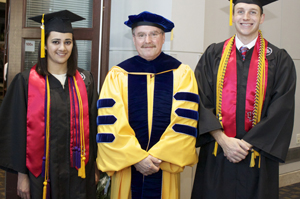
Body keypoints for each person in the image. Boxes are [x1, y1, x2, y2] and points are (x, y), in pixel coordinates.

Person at [191, 0, 296, 199]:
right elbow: (199, 99)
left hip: (257, 155)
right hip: (217, 151)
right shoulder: (213, 55)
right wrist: (223, 140)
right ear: (232, 16)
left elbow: (281, 109)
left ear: (262, 18)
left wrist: (244, 145)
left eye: (252, 12)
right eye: (240, 11)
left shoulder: (279, 60)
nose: (245, 17)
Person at [96, 11, 199, 199]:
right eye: (141, 35)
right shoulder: (117, 75)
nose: (147, 40)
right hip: (127, 168)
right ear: (134, 38)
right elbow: (111, 123)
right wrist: (136, 158)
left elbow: (185, 120)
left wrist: (155, 158)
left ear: (163, 38)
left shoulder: (181, 73)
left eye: (154, 34)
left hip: (163, 166)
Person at [0, 10, 99, 199]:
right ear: (44, 45)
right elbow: (16, 132)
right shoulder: (26, 82)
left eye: (67, 42)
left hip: (78, 172)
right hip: (42, 175)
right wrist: (22, 175)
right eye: (56, 42)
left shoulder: (86, 81)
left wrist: (94, 166)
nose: (62, 48)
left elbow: (94, 126)